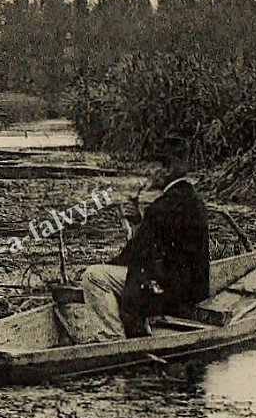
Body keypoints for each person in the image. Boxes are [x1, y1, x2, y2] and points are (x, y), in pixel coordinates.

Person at [73, 135, 210, 343]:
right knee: (127, 277)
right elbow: (163, 245)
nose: (149, 173)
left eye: (152, 167)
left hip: (170, 292)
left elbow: (136, 254)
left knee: (94, 276)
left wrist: (108, 264)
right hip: (194, 289)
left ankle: (112, 338)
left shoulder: (161, 207)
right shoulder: (194, 200)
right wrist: (141, 222)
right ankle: (136, 325)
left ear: (167, 168)